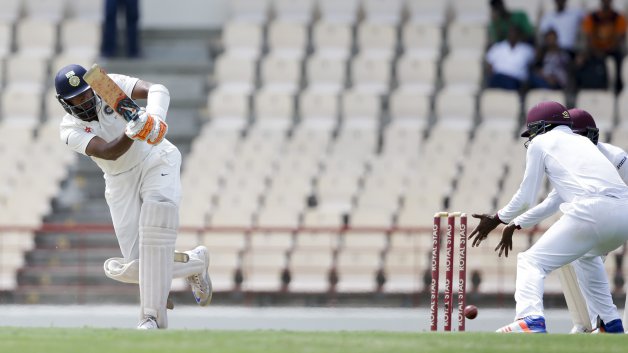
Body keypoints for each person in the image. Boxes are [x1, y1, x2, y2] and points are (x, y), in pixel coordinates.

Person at [55, 64, 212, 329]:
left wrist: (154, 118)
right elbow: (108, 152)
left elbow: (157, 89)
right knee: (136, 266)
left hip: (155, 157)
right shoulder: (69, 129)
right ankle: (194, 262)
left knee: (155, 226)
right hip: (118, 178)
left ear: (92, 88)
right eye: (75, 99)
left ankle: (150, 317)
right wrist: (133, 129)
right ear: (64, 103)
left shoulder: (107, 85)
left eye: (85, 94)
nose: (83, 102)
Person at [469, 101, 628, 333]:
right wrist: (516, 222)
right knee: (586, 257)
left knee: (531, 262)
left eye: (533, 130)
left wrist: (497, 218)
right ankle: (610, 323)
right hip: (623, 215)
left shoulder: (542, 142)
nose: (531, 137)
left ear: (544, 126)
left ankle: (530, 319)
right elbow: (554, 200)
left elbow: (526, 197)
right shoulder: (584, 143)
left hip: (592, 210)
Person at [579, 0, 627, 93]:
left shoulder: (618, 17)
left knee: (619, 58)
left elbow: (619, 37)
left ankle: (618, 88)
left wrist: (608, 48)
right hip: (596, 49)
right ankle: (589, 87)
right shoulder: (592, 17)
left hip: (612, 49)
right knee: (583, 60)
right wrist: (597, 50)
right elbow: (589, 37)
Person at [485, 26, 535, 90]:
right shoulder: (497, 47)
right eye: (510, 32)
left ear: (519, 35)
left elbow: (533, 64)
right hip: (498, 77)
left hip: (516, 80)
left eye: (514, 33)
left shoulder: (527, 50)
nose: (512, 35)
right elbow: (489, 65)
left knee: (511, 84)